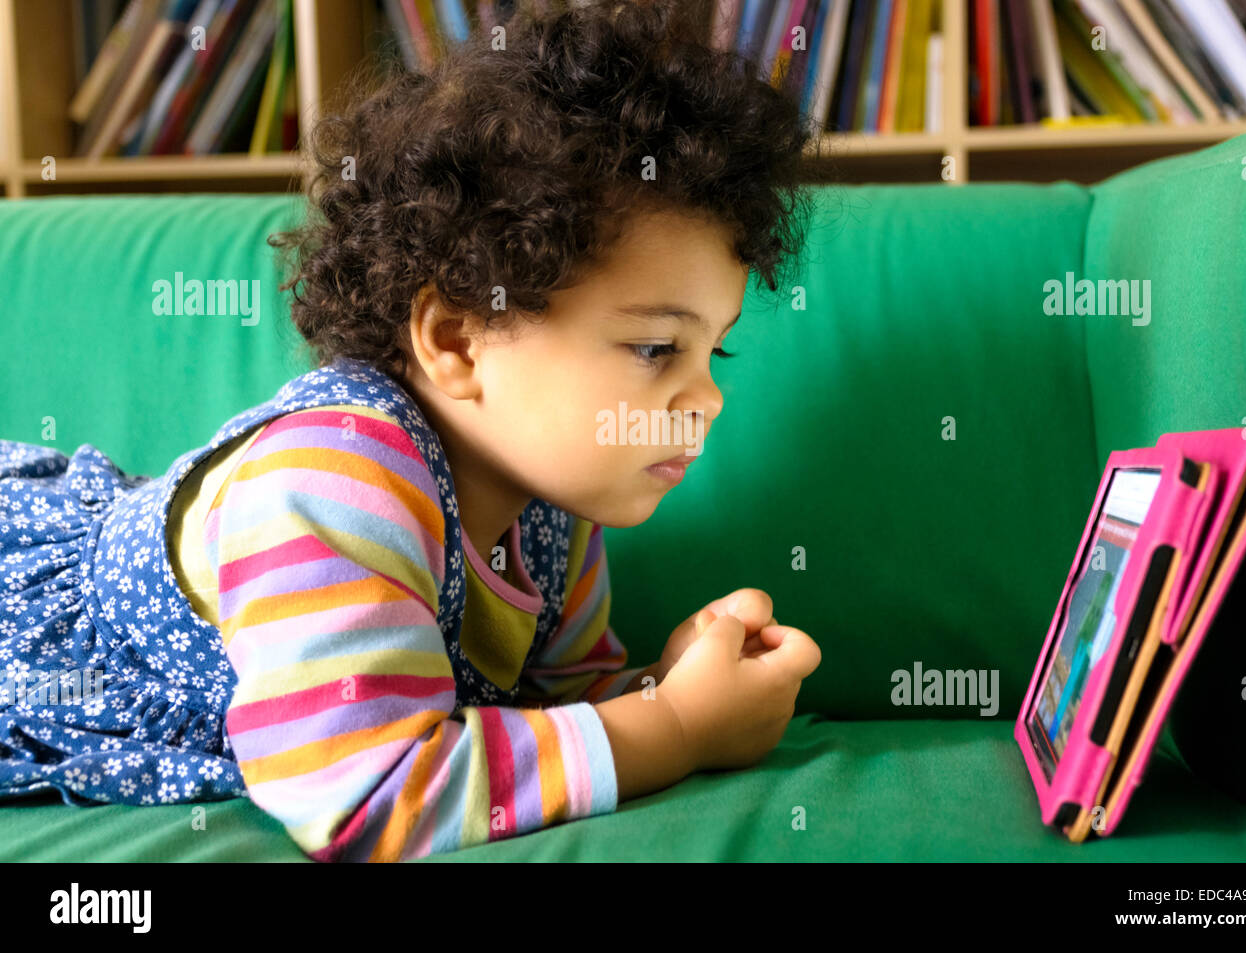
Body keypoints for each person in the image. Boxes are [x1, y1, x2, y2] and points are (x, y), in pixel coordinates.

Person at [0, 0, 822, 861]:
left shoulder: (557, 507)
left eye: (714, 350)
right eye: (656, 348)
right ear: (458, 339)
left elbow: (550, 716)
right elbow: (368, 795)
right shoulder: (328, 482)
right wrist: (678, 726)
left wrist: (670, 681)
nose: (708, 399)